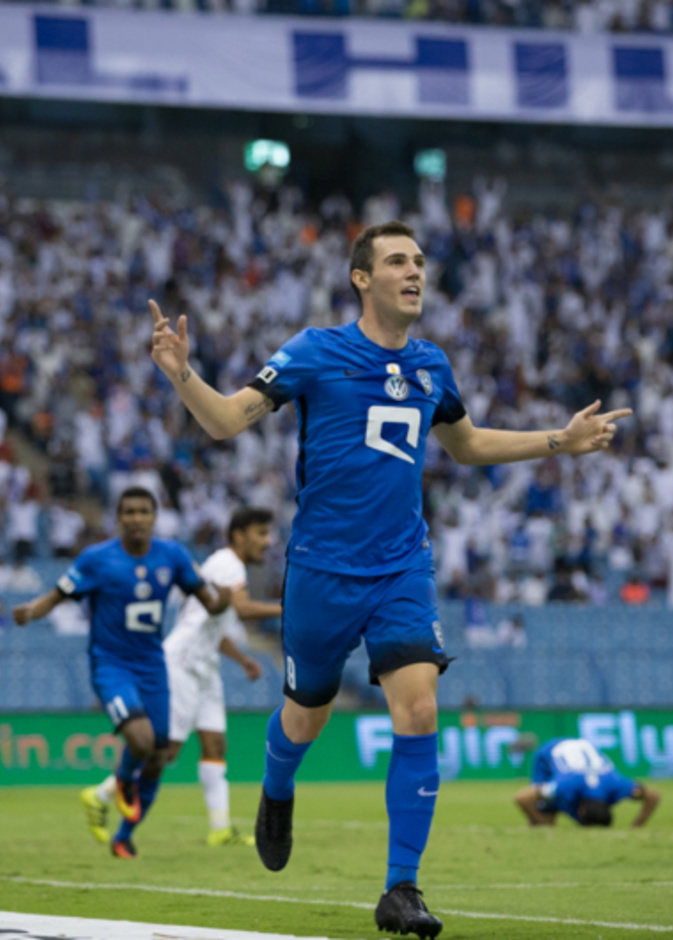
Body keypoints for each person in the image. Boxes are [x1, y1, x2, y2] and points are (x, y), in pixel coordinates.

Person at [148, 220, 631, 939]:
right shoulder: (315, 351)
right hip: (320, 571)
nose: (414, 272)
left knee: (419, 709)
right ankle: (276, 786)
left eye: (420, 262)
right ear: (361, 278)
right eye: (398, 261)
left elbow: (467, 444)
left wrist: (559, 439)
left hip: (403, 566)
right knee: (306, 714)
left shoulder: (432, 364)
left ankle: (400, 888)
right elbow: (224, 422)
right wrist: (181, 373)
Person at [12, 486, 230, 859]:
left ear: (154, 517)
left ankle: (123, 836)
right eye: (129, 512)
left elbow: (209, 603)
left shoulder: (173, 556)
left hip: (152, 666)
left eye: (144, 511)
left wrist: (222, 601)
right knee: (141, 742)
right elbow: (58, 594)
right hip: (111, 665)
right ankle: (124, 780)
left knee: (159, 756)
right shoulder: (97, 559)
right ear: (117, 519)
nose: (136, 518)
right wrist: (31, 611)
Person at [85, 507, 281, 849]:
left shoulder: (224, 566)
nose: (268, 541)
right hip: (182, 664)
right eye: (261, 533)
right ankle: (101, 795)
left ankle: (220, 828)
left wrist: (243, 660)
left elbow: (211, 626)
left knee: (215, 744)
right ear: (239, 535)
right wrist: (289, 606)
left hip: (205, 666)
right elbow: (243, 608)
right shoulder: (228, 564)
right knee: (167, 751)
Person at [514, 737, 661, 827]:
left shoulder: (617, 786)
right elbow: (522, 798)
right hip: (549, 753)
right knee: (544, 815)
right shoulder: (564, 786)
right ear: (581, 811)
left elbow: (653, 796)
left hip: (583, 753)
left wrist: (637, 826)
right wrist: (541, 822)